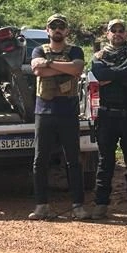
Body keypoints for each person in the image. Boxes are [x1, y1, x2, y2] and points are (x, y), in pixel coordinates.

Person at [28, 13, 88, 221]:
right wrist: (64, 68)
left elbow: (77, 68)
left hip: (68, 113)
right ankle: (41, 206)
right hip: (43, 113)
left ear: (67, 31)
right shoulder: (38, 50)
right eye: (53, 27)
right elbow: (37, 71)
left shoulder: (76, 50)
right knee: (40, 160)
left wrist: (49, 64)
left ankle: (78, 206)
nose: (57, 30)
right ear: (48, 30)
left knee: (73, 160)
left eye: (61, 27)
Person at [90, 19, 127, 219]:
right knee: (105, 162)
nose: (117, 33)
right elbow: (100, 75)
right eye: (113, 30)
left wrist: (112, 77)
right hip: (107, 116)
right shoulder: (100, 56)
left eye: (121, 30)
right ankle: (101, 204)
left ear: (126, 33)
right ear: (107, 33)